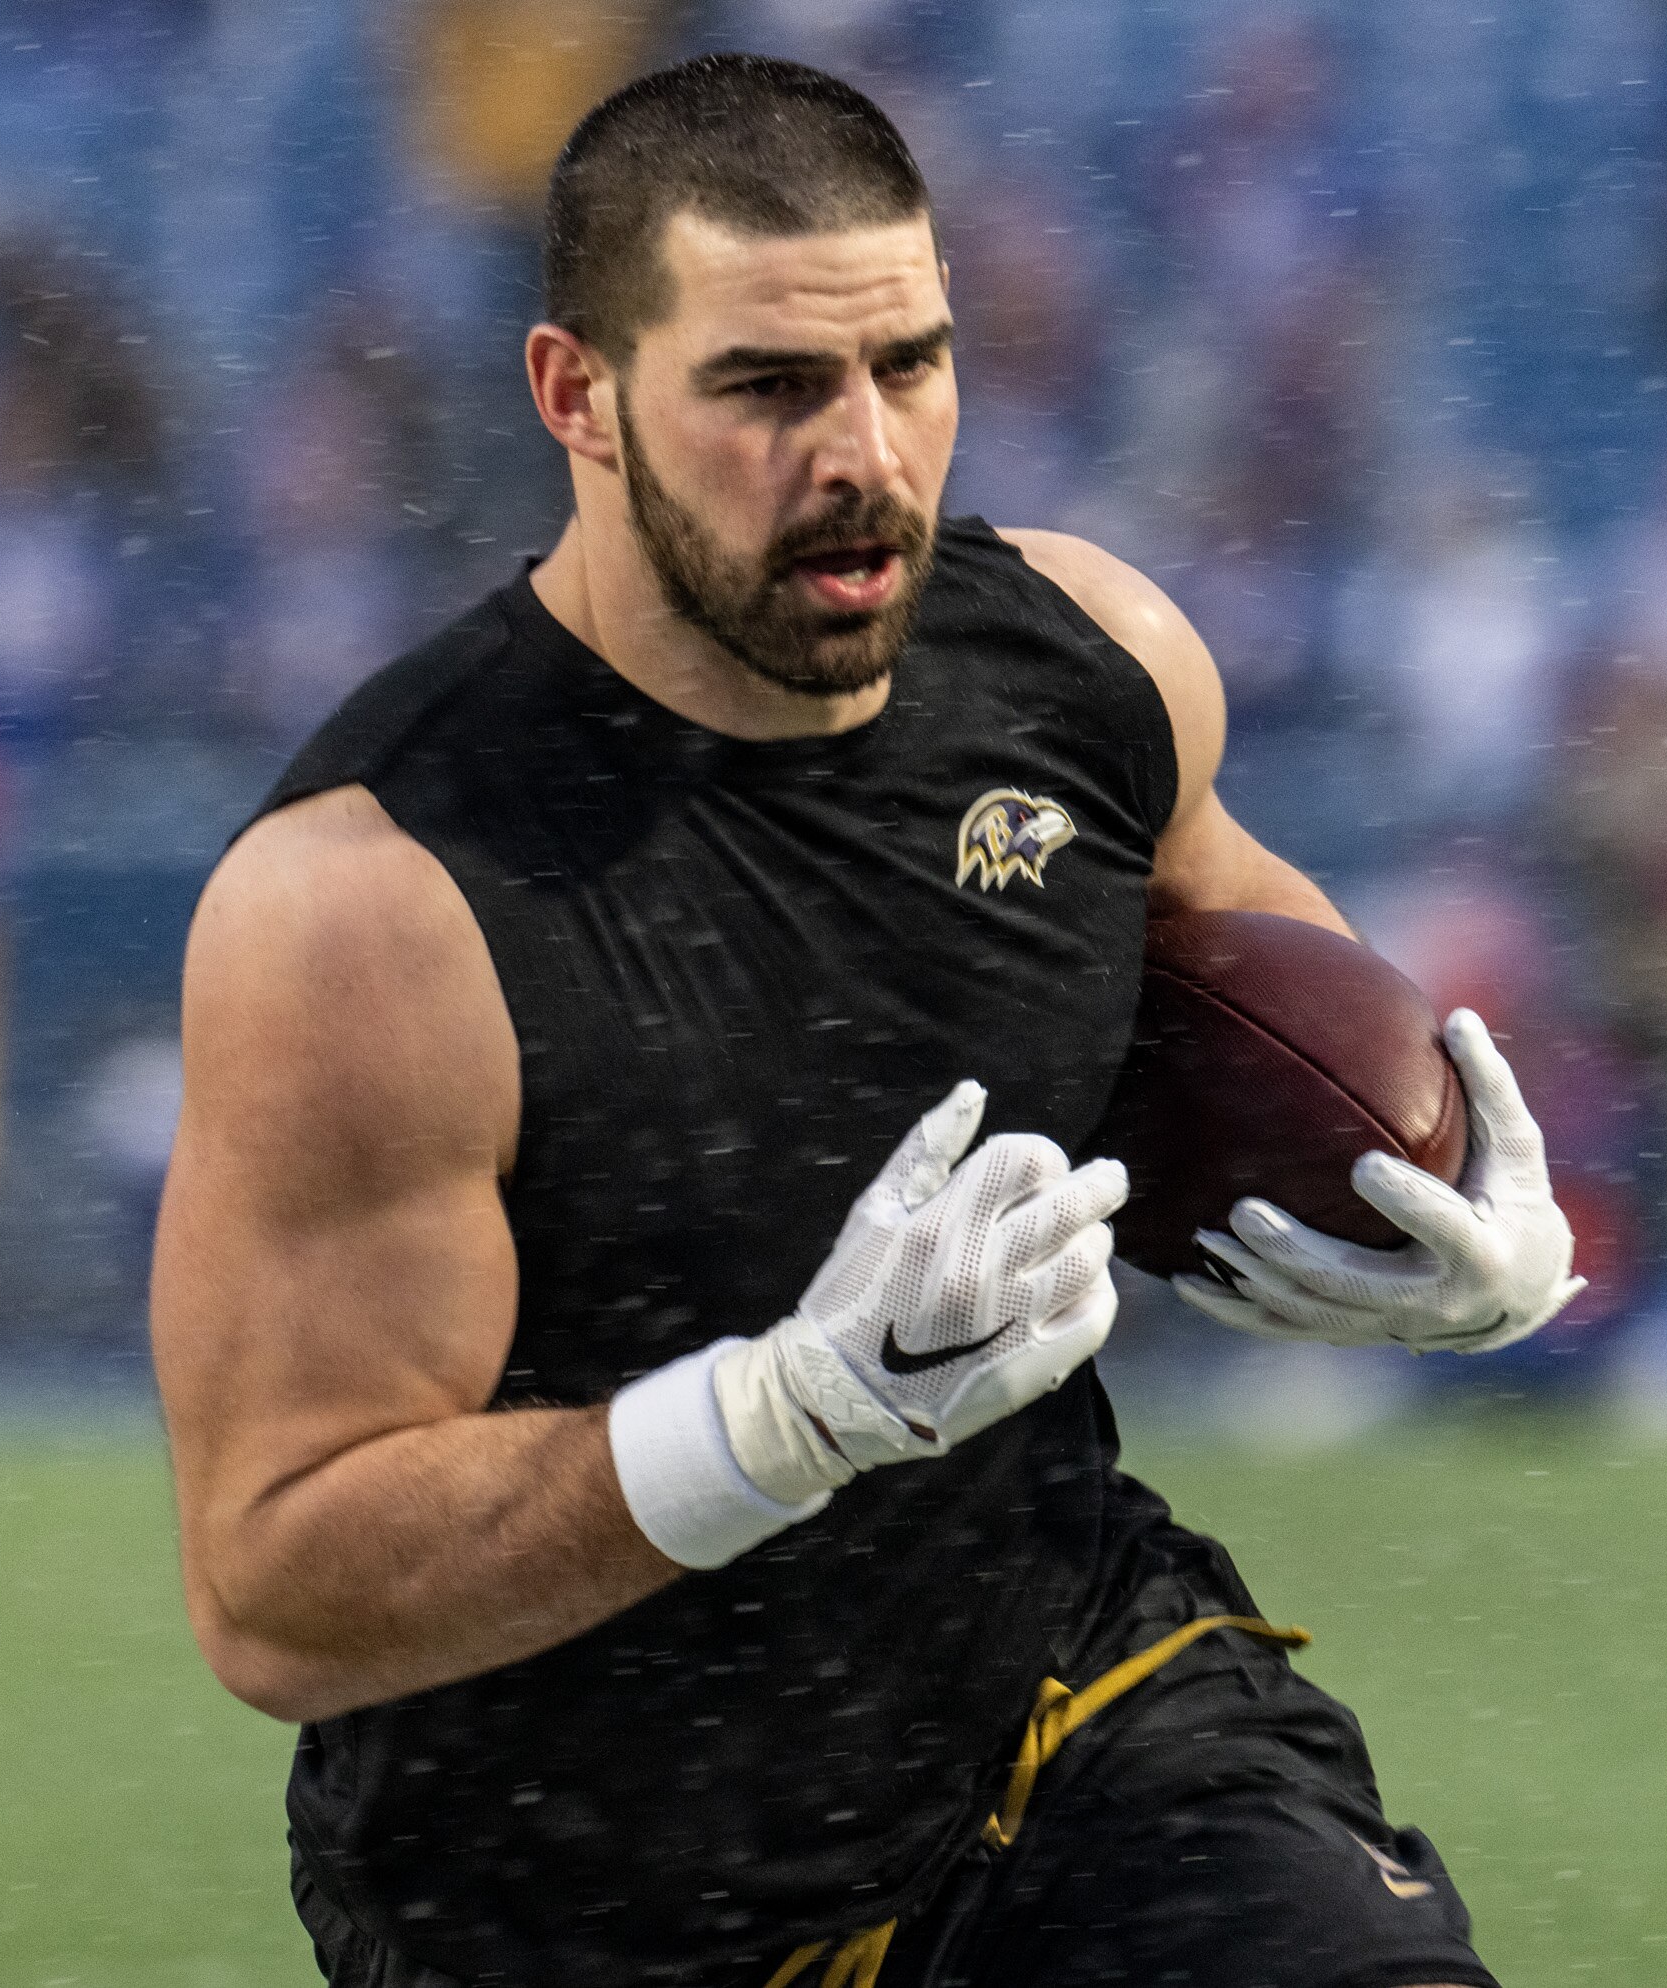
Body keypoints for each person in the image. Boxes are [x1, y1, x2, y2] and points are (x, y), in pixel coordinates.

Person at [151, 54, 1583, 1988]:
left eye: (909, 364)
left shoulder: (1090, 662)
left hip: (1077, 1729)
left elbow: (1258, 962)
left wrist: (1443, 1209)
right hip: (581, 1900)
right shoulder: (374, 905)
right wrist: (782, 1418)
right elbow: (278, 1586)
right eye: (767, 387)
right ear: (576, 394)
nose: (868, 456)